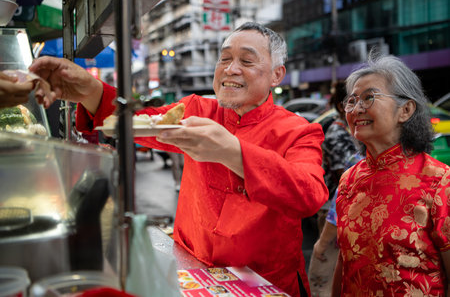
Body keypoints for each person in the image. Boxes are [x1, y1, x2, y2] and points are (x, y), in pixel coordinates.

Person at [30, 22, 328, 296]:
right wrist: (90, 90)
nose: (231, 69)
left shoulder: (299, 130)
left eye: (247, 61)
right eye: (224, 59)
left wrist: (232, 152)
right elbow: (142, 123)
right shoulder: (198, 109)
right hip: (195, 274)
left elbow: (309, 195)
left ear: (277, 74)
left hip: (265, 282)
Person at [331, 53, 450, 296]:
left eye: (368, 98)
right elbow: (345, 264)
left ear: (405, 110)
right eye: (351, 101)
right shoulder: (349, 180)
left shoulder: (439, 181)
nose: (356, 108)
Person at [308, 82, 357, 297]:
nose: (360, 108)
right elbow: (345, 179)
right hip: (333, 210)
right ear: (340, 105)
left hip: (344, 210)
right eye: (353, 101)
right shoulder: (338, 133)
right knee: (330, 270)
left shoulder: (352, 131)